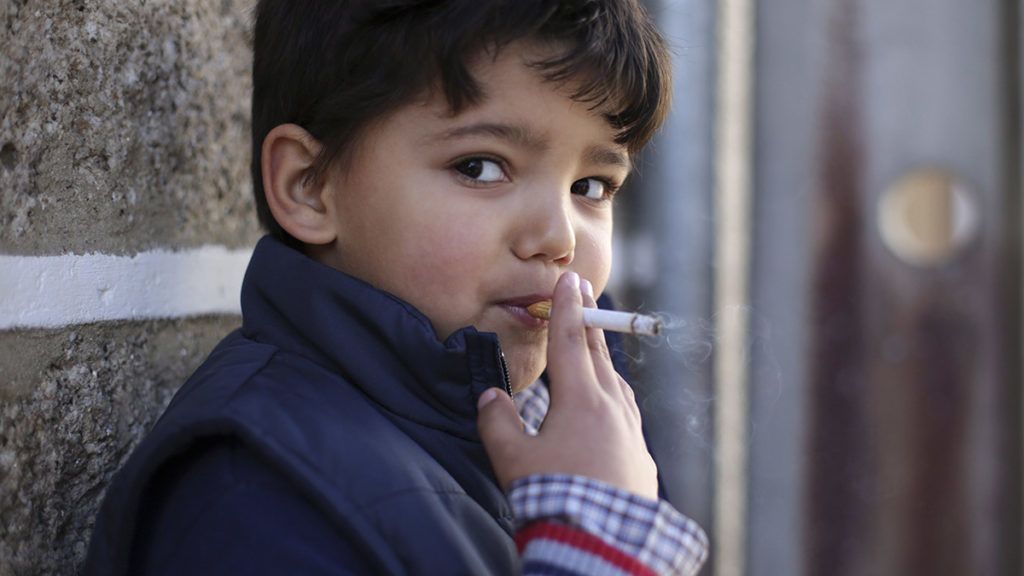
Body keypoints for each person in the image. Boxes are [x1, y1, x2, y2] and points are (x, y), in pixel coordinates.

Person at [84, 1, 708, 574]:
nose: (558, 238)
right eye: (480, 167)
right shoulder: (253, 501)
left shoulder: (579, 418)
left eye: (591, 186)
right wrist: (594, 545)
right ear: (309, 186)